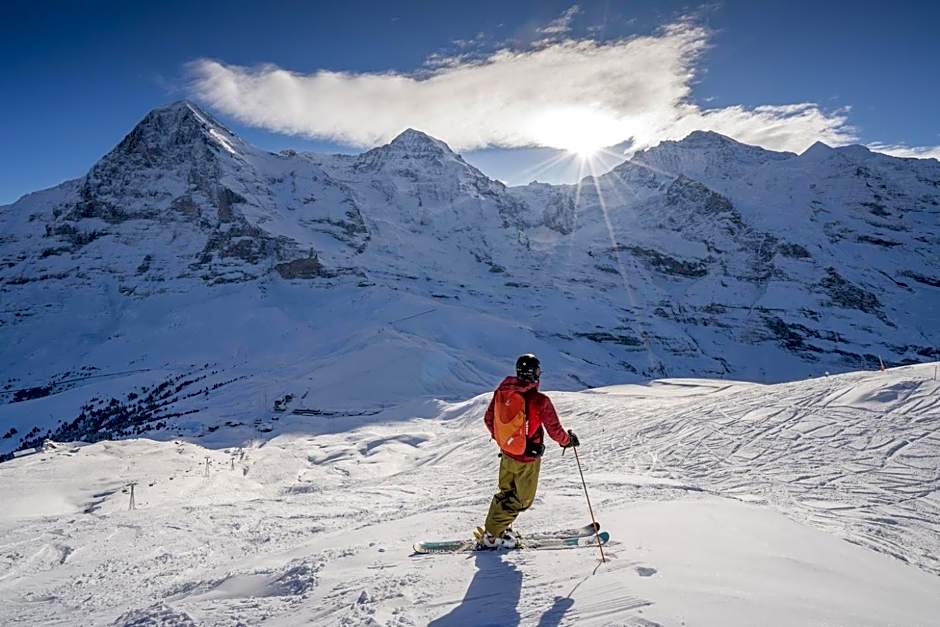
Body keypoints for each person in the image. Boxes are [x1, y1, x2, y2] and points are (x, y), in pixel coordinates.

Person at [478, 354, 579, 548]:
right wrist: (567, 441)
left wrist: (506, 440)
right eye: (538, 371)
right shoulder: (539, 401)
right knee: (522, 500)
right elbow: (554, 430)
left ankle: (499, 529)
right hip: (526, 459)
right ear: (534, 374)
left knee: (506, 493)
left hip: (507, 454)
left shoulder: (503, 392)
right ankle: (492, 535)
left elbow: (489, 419)